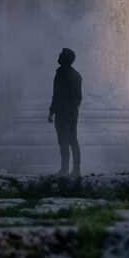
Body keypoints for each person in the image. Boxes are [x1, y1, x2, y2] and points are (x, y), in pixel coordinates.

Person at [48, 47, 82, 177]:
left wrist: (52, 111)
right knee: (72, 140)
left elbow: (56, 95)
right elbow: (79, 98)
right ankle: (75, 169)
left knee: (64, 141)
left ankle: (66, 169)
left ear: (65, 59)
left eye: (61, 55)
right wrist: (73, 110)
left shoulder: (61, 74)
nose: (59, 56)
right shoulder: (76, 75)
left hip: (63, 113)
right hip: (71, 113)